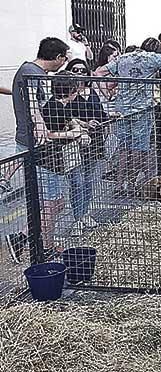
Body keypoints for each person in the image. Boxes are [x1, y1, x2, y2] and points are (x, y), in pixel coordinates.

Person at [94, 37, 161, 196]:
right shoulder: (152, 58)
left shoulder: (123, 58)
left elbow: (98, 72)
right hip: (142, 111)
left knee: (124, 148)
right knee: (139, 149)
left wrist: (108, 93)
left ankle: (119, 184)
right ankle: (132, 183)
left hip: (122, 109)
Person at [7, 38, 70, 262]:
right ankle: (38, 244)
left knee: (54, 201)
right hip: (37, 144)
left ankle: (27, 238)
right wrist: (41, 127)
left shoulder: (28, 71)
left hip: (33, 142)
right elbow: (33, 103)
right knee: (51, 202)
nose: (65, 62)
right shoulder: (32, 73)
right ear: (57, 58)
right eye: (64, 57)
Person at [40, 72, 92, 246]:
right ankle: (36, 239)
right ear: (71, 90)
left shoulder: (63, 105)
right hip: (52, 159)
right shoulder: (52, 107)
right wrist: (72, 134)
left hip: (67, 154)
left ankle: (78, 219)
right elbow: (48, 134)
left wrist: (80, 128)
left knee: (70, 190)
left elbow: (70, 120)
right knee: (55, 202)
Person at [66, 60, 109, 234]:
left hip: (94, 142)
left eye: (82, 70)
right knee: (77, 181)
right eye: (75, 70)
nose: (79, 73)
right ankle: (77, 218)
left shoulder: (92, 92)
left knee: (89, 180)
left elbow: (99, 113)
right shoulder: (66, 94)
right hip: (74, 143)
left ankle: (85, 214)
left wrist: (108, 117)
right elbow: (65, 118)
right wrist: (85, 124)